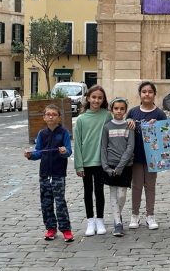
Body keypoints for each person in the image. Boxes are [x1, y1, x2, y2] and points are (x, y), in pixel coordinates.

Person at [24, 104, 74, 242]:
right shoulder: (42, 134)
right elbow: (38, 152)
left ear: (59, 117)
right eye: (48, 114)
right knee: (46, 202)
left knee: (60, 202)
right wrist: (30, 155)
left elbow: (69, 151)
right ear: (44, 117)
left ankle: (66, 229)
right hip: (44, 173)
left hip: (58, 173)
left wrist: (65, 152)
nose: (51, 116)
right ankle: (50, 228)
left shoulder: (63, 133)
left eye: (54, 114)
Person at [126, 81, 167, 230]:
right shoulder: (133, 112)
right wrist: (128, 122)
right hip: (136, 156)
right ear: (140, 94)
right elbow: (125, 129)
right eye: (144, 91)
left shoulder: (159, 113)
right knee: (136, 186)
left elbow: (166, 134)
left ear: (154, 94)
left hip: (153, 157)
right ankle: (134, 215)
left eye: (150, 92)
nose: (147, 94)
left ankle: (150, 215)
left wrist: (157, 127)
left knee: (150, 186)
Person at [74, 85, 112, 236]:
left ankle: (100, 220)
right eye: (94, 97)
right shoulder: (82, 119)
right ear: (88, 98)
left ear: (103, 100)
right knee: (88, 191)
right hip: (86, 161)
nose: (96, 100)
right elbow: (77, 143)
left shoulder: (106, 115)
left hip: (101, 161)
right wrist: (79, 164)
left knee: (99, 191)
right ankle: (90, 220)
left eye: (100, 98)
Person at [100, 97, 135, 237]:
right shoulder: (107, 126)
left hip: (125, 166)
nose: (119, 111)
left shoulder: (129, 126)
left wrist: (121, 166)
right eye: (116, 108)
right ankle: (117, 223)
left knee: (122, 194)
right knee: (113, 194)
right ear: (111, 109)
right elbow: (103, 147)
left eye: (122, 108)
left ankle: (118, 216)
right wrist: (105, 166)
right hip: (111, 165)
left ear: (126, 110)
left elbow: (130, 147)